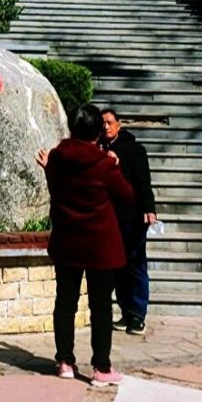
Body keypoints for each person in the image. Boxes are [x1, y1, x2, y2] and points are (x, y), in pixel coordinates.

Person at [38, 103, 135, 387]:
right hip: (99, 245)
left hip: (68, 241)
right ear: (97, 132)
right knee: (101, 307)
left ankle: (65, 361)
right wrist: (117, 166)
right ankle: (101, 368)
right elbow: (127, 197)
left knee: (65, 302)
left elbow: (56, 190)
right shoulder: (104, 164)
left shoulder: (56, 159)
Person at [101, 108, 158, 336]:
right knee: (118, 267)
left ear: (119, 125)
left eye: (109, 122)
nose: (105, 127)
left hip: (132, 217)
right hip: (109, 218)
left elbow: (143, 181)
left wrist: (149, 209)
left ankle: (138, 314)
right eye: (102, 123)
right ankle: (125, 311)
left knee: (135, 265)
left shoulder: (134, 149)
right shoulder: (98, 149)